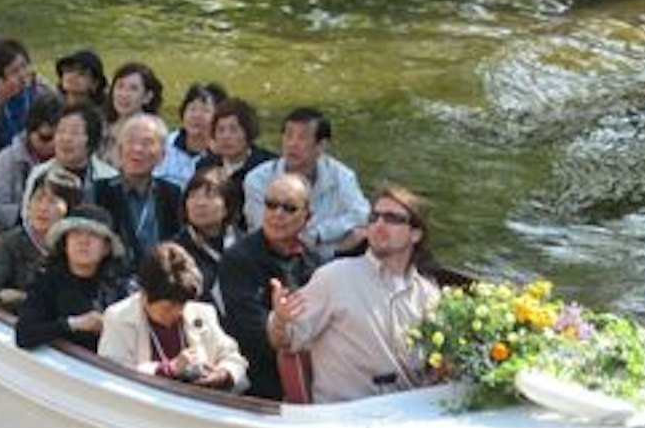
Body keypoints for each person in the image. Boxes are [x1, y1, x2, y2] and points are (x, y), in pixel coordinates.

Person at [267, 184, 442, 403]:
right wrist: (281, 321)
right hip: (344, 417)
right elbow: (286, 341)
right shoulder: (334, 277)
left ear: (415, 234)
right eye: (374, 217)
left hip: (406, 416)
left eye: (392, 219)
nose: (379, 224)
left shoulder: (428, 295)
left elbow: (439, 366)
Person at [219, 172, 321, 400]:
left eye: (289, 208)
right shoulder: (239, 258)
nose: (277, 214)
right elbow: (253, 330)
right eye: (271, 204)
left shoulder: (313, 262)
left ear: (308, 215)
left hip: (308, 370)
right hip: (254, 378)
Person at [99, 242, 248, 393]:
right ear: (144, 295)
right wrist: (169, 369)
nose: (176, 313)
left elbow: (233, 358)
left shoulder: (201, 313)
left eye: (181, 305)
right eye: (167, 308)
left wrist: (222, 374)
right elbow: (113, 375)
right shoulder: (118, 317)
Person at [242, 106, 369, 259]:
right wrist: (334, 247)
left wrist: (319, 234)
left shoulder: (342, 176)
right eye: (288, 136)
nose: (292, 144)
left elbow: (362, 215)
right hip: (272, 263)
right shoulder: (257, 180)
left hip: (330, 265)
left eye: (302, 137)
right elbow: (270, 236)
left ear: (321, 146)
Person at [14, 204, 129, 352]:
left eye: (93, 235)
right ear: (65, 242)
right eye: (76, 234)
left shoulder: (119, 288)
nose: (83, 241)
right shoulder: (46, 282)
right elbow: (24, 334)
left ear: (106, 248)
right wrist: (73, 324)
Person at [0, 167, 80, 313]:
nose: (43, 208)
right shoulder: (11, 243)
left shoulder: (74, 249)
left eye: (53, 201)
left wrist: (18, 296)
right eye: (39, 198)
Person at [93, 113, 183, 274]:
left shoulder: (173, 195)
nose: (137, 149)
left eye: (147, 142)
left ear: (162, 155)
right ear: (120, 150)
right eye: (131, 141)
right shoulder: (98, 192)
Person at [23, 102, 116, 222]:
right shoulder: (40, 173)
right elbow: (28, 219)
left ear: (91, 140)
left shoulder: (108, 178)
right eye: (61, 131)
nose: (66, 139)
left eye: (74, 133)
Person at [0, 36, 57, 155]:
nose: (23, 74)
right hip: (1, 156)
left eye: (24, 66)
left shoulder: (42, 90)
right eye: (14, 71)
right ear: (0, 77)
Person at [0, 93, 62, 233]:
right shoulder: (7, 160)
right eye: (45, 137)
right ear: (30, 131)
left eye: (60, 137)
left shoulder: (72, 159)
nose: (54, 144)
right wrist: (31, 213)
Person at [194, 96, 275, 221]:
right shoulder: (205, 166)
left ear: (248, 132)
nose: (226, 137)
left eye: (234, 130)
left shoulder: (267, 166)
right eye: (221, 130)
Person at [171, 165, 240, 313]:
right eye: (193, 196)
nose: (199, 203)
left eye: (210, 196)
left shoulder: (245, 245)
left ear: (227, 205)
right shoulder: (174, 252)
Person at [154, 81, 227, 189]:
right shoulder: (164, 143)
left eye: (205, 111)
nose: (196, 116)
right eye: (192, 109)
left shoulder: (225, 153)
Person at [101, 61, 165, 166]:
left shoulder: (153, 130)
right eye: (120, 86)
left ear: (147, 97)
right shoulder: (103, 124)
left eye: (133, 89)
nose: (124, 95)